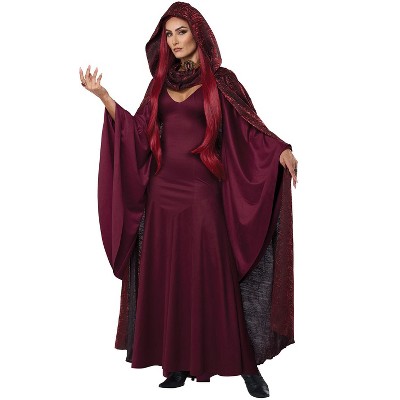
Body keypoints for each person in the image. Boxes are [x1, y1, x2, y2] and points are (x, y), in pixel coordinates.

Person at [79, 2, 297, 398]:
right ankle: (177, 364)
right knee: (169, 279)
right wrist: (104, 97)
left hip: (203, 196)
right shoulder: (159, 84)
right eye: (168, 34)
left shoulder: (223, 82)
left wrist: (280, 149)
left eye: (181, 31)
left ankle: (247, 368)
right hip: (161, 197)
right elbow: (137, 132)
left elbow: (250, 130)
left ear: (198, 33)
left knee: (217, 280)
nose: (175, 40)